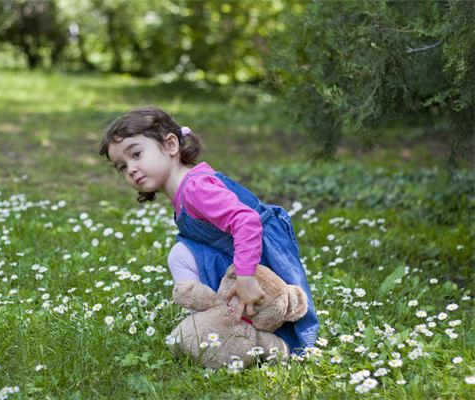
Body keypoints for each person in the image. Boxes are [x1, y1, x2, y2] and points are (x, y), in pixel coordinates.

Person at [98, 106, 318, 353]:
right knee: (182, 253)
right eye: (122, 166)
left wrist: (246, 277)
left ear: (171, 145)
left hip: (259, 254)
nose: (131, 169)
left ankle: (245, 336)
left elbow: (247, 221)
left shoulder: (195, 188)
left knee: (182, 255)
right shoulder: (183, 193)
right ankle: (212, 325)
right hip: (235, 253)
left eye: (136, 154)